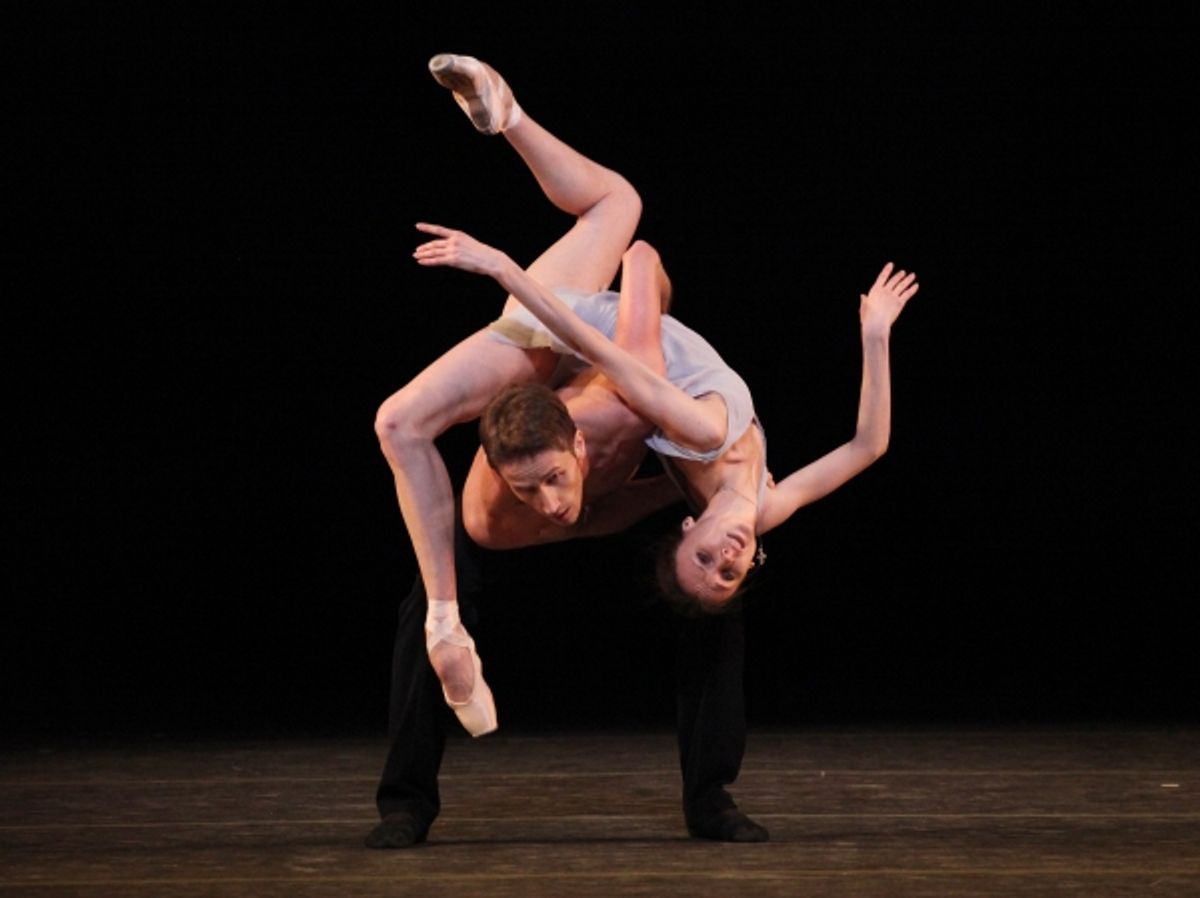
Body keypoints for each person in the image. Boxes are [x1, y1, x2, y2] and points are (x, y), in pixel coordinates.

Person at [368, 53, 769, 847]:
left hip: (569, 331)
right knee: (429, 556)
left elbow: (641, 266)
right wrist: (448, 620)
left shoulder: (629, 389)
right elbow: (641, 275)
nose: (552, 505)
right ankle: (406, 799)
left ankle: (711, 797)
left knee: (716, 590)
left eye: (554, 483)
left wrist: (722, 506)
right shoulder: (573, 436)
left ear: (578, 448)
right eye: (538, 492)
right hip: (545, 355)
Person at [412, 230, 918, 617]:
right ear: (749, 566)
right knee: (615, 212)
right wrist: (875, 334)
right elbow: (867, 447)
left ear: (691, 526)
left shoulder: (700, 433)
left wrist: (504, 268)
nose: (724, 556)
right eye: (727, 573)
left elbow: (602, 352)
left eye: (703, 558)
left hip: (588, 328)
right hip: (625, 351)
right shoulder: (766, 509)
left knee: (629, 238)